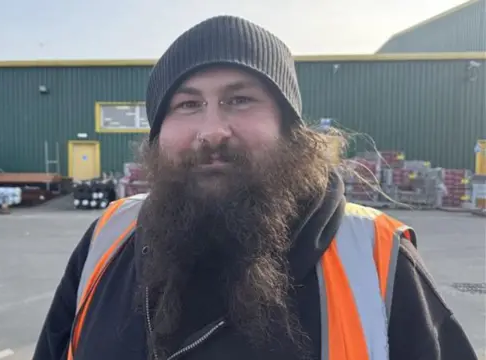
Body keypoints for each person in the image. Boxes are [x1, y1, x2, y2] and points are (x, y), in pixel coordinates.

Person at [33, 15, 478, 360]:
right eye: (187, 104)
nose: (212, 131)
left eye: (239, 99)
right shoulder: (108, 237)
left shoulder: (377, 258)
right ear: (158, 133)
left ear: (290, 127)